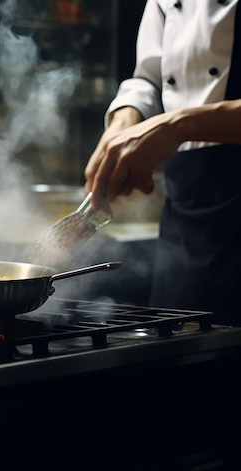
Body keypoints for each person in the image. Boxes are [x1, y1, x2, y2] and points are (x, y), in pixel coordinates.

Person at [83, 0, 241, 325]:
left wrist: (180, 125)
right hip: (187, 214)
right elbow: (151, 76)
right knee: (178, 359)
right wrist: (124, 122)